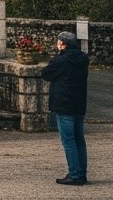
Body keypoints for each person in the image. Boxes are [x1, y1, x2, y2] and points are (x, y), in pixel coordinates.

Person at [41, 31, 90, 186]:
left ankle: (75, 174)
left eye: (59, 42)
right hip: (78, 103)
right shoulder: (83, 59)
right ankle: (81, 173)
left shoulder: (61, 61)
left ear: (63, 44)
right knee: (79, 139)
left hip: (64, 103)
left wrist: (55, 58)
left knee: (68, 140)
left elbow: (46, 74)